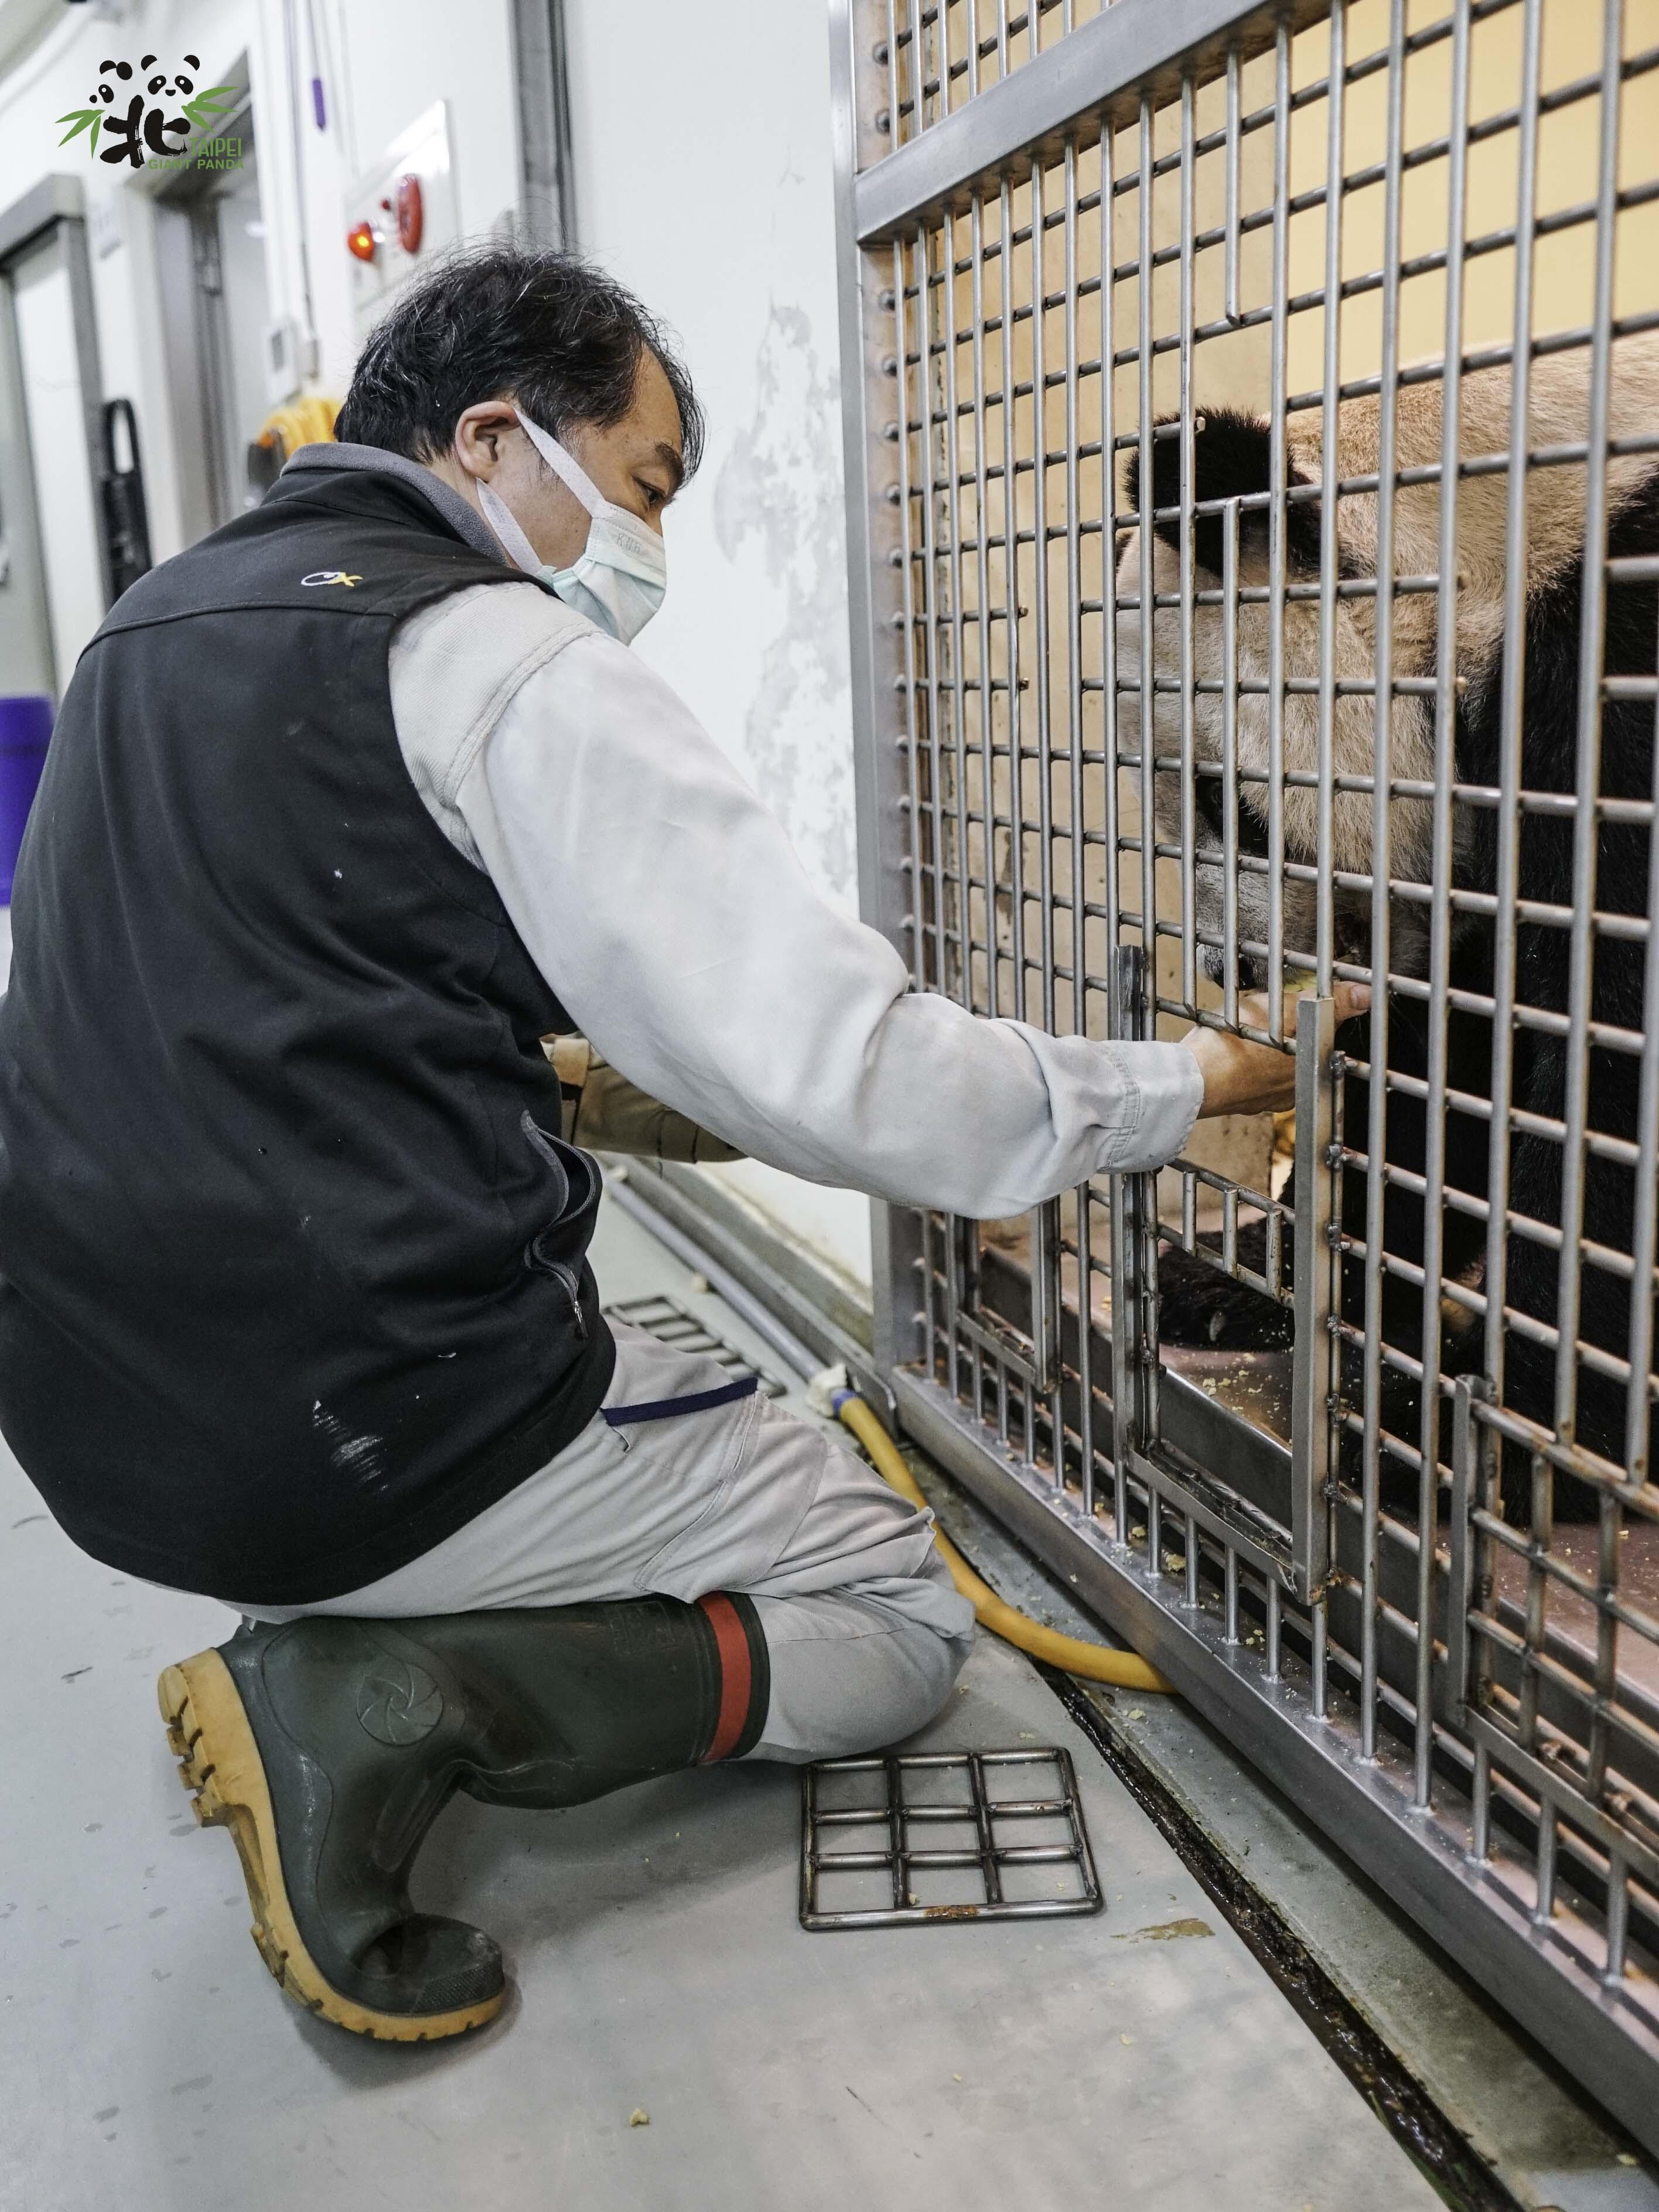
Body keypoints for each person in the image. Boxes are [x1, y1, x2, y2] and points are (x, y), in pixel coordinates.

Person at [0, 247, 1366, 2043]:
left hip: (95, 1433)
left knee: (655, 1379)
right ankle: (399, 1691)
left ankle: (354, 1612)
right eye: (642, 488)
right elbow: (859, 1079)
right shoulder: (493, 656)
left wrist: (564, 1084)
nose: (642, 554)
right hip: (354, 1429)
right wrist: (1195, 1081)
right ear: (493, 438)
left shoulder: (148, 626)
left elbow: (258, 1010)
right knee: (897, 1608)